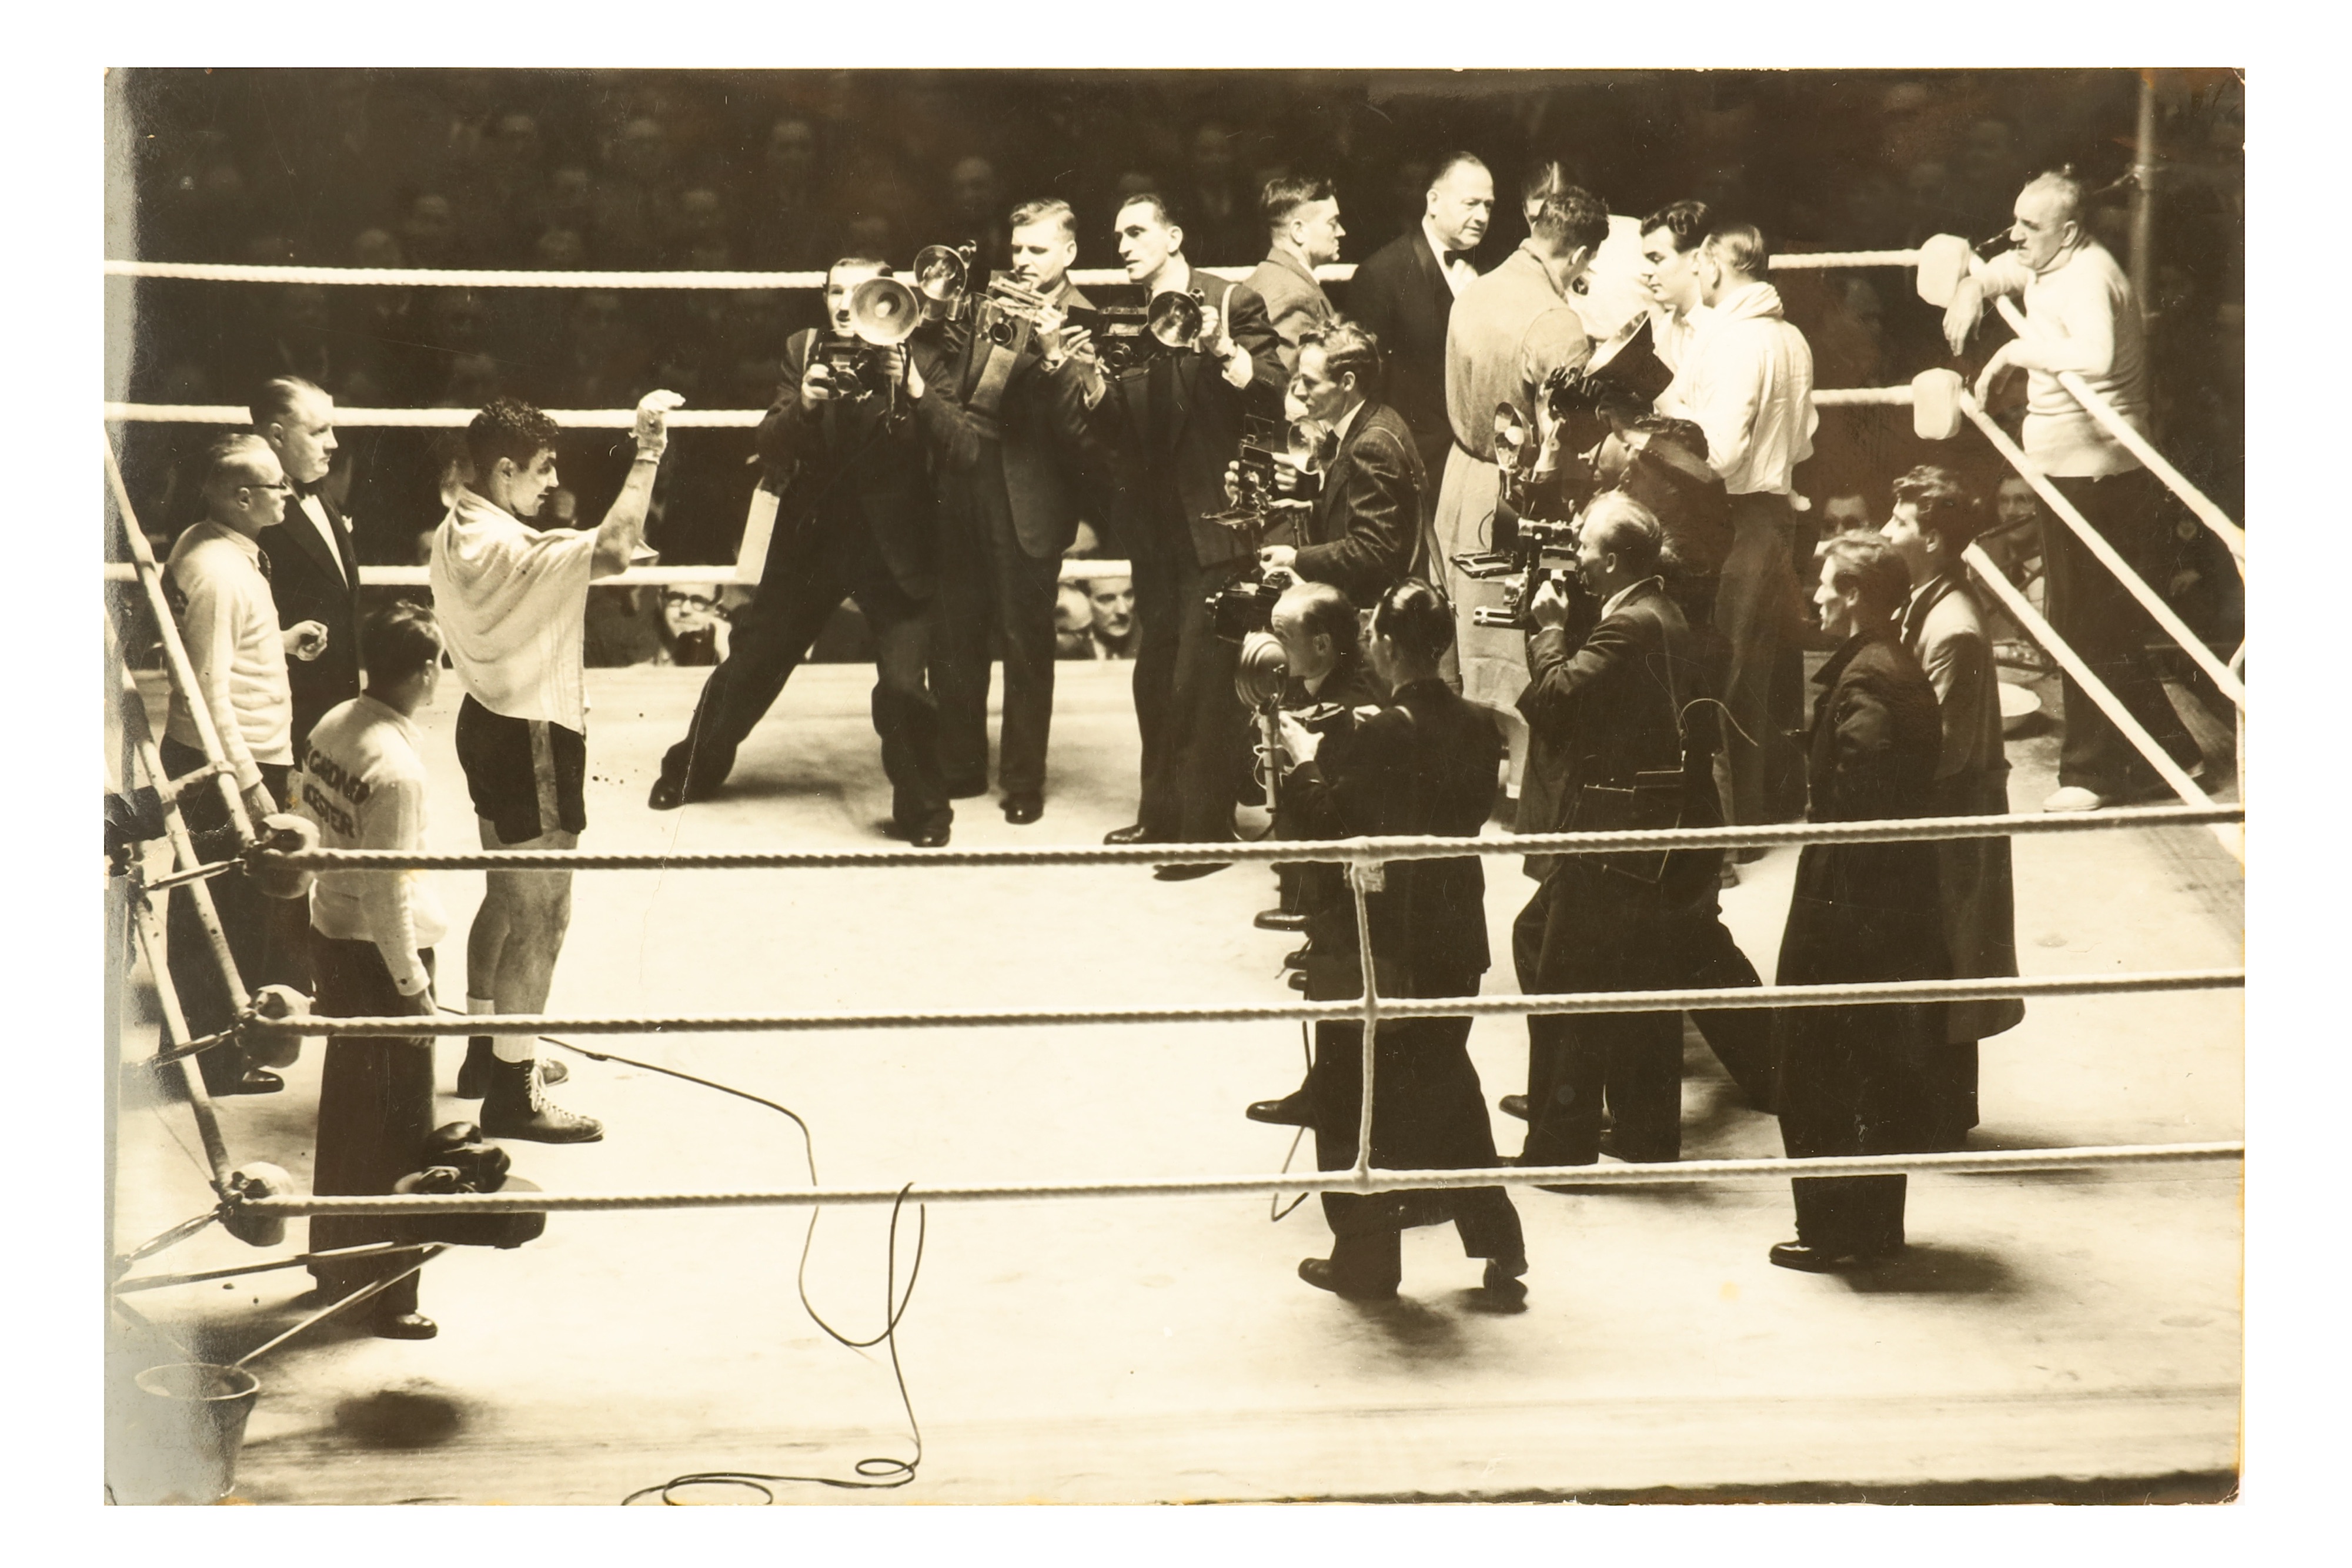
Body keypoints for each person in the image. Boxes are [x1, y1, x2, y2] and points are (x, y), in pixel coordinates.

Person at [432, 389, 681, 1142]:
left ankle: (488, 1052)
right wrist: (648, 450)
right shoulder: (511, 549)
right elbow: (611, 548)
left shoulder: (457, 529)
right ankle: (514, 1091)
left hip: (487, 720)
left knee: (505, 900)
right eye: (542, 470)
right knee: (545, 916)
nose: (551, 485)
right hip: (530, 733)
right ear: (504, 471)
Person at [1270, 581, 1528, 1304]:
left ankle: (1367, 1262)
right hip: (1454, 932)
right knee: (1449, 1083)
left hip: (1379, 941)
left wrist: (1300, 762)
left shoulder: (1376, 731)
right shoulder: (1482, 726)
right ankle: (1500, 1247)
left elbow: (1331, 829)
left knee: (1353, 1093)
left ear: (1382, 645)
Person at [647, 260, 953, 847]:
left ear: (890, 298)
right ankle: (689, 770)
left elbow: (950, 451)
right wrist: (806, 405)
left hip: (895, 549)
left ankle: (925, 813)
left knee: (905, 685)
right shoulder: (804, 348)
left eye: (860, 292)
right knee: (753, 661)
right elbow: (768, 443)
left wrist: (910, 388)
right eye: (836, 291)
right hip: (812, 543)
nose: (845, 303)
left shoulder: (923, 355)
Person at [1940, 168, 2202, 811]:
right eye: (2015, 220)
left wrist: (2007, 355)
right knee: (2091, 620)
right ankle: (2171, 751)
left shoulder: (2088, 276)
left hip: (2100, 471)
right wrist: (1972, 285)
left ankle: (2093, 775)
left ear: (2071, 231)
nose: (2016, 235)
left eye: (2032, 226)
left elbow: (2092, 355)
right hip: (2069, 469)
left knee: (2085, 623)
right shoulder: (2053, 258)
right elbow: (2011, 266)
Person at [1510, 494, 1739, 1167]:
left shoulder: (1627, 627)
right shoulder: (1662, 610)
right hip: (1656, 828)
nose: (1572, 555)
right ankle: (1641, 1132)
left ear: (1609, 562)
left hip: (1615, 832)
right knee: (1625, 973)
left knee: (1563, 975)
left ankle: (1560, 1138)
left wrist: (1549, 632)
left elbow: (1554, 706)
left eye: (1581, 546)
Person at [1091, 192, 1287, 874]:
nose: (1122, 245)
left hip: (1221, 524)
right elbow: (1120, 431)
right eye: (1116, 235)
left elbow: (1274, 389)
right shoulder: (1125, 320)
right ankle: (1161, 818)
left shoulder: (1232, 302)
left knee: (1202, 685)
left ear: (1174, 237)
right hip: (1157, 530)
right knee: (1155, 677)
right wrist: (1089, 380)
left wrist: (1222, 347)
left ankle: (1203, 835)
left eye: (1137, 231)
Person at [1769, 531, 1949, 1272]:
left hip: (1849, 897)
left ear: (1855, 597)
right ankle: (1871, 1226)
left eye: (1825, 584)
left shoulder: (1868, 679)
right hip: (1892, 894)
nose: (1814, 595)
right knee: (1873, 1062)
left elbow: (1867, 779)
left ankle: (1838, 1233)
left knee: (1818, 1060)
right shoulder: (1891, 665)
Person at [294, 603, 449, 1340]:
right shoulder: (398, 772)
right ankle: (394, 1293)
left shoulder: (332, 723)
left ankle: (331, 1259)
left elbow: (311, 818)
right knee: (402, 1128)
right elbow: (391, 898)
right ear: (424, 671)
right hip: (383, 956)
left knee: (349, 1111)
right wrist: (414, 994)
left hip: (332, 931)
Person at [925, 199, 1106, 826]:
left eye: (1037, 250)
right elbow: (951, 379)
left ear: (1069, 254)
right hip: (964, 481)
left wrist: (1056, 356)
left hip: (1029, 492)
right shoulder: (983, 303)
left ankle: (1024, 782)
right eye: (1018, 249)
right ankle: (959, 766)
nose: (1024, 261)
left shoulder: (1085, 319)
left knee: (1027, 644)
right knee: (955, 633)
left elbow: (1082, 435)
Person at [162, 434, 327, 1098]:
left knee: (217, 907)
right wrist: (251, 785)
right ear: (241, 497)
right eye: (277, 486)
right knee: (218, 915)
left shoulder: (206, 546)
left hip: (224, 753)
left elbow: (217, 656)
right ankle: (209, 1064)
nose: (289, 494)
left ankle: (206, 1055)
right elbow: (208, 691)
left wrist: (276, 646)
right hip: (229, 760)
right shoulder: (222, 572)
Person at [1432, 184, 1607, 749]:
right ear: (1579, 256)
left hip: (1460, 483)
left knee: (1463, 644)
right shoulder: (1556, 320)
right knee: (1522, 652)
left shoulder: (1473, 293)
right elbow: (1577, 436)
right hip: (1518, 494)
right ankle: (1525, 795)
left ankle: (1476, 781)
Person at [1880, 466, 2023, 1148]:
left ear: (1932, 539)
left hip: (1947, 821)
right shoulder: (1924, 602)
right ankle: (1930, 1109)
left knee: (1941, 958)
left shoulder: (1953, 629)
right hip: (1936, 814)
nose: (1885, 532)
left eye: (1899, 523)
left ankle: (1937, 1116)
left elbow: (1942, 749)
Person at [1661, 220, 1818, 834]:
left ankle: (1723, 839)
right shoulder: (1791, 337)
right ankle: (1768, 815)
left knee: (1720, 679)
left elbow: (1718, 454)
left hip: (1732, 522)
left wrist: (1655, 439)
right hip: (1776, 517)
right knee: (1766, 676)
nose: (1696, 278)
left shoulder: (1732, 343)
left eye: (1699, 268)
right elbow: (1804, 442)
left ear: (1715, 267)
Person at [1349, 153, 1493, 500]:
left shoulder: (1490, 269)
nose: (1482, 216)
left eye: (1489, 206)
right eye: (1471, 203)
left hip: (1474, 468)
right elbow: (1366, 392)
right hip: (1408, 471)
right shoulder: (1380, 275)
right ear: (1433, 201)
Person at [1254, 321, 1428, 606]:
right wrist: (1312, 509)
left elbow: (1375, 549)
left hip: (1376, 618)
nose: (1298, 392)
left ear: (1347, 382)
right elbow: (1368, 507)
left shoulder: (1370, 445)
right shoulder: (1376, 420)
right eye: (1298, 379)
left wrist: (1296, 558)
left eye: (1310, 382)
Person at [252, 377, 359, 757]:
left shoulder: (317, 486)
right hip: (287, 708)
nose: (334, 443)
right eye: (319, 431)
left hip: (336, 695)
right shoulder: (250, 511)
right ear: (277, 437)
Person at [1241, 175, 1342, 373]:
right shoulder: (1292, 295)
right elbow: (1287, 385)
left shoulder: (1275, 278)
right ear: (1299, 231)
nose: (1341, 232)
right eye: (1333, 223)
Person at [1636, 200, 1715, 376]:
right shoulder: (1667, 327)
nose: (1645, 272)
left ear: (1697, 260)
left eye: (1656, 260)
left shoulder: (1720, 329)